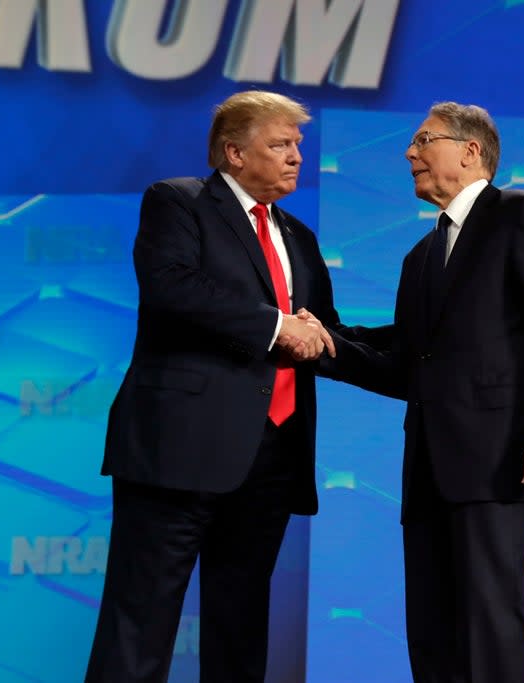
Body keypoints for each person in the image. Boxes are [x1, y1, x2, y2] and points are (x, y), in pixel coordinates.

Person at [319, 101, 524, 683]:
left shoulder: (521, 213)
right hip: (429, 467)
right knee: (433, 627)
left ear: (470, 151)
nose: (409, 154)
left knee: (488, 623)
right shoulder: (420, 256)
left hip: (499, 457)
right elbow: (407, 363)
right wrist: (325, 347)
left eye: (423, 141)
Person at [85, 90, 343, 683]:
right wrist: (278, 327)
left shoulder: (297, 235)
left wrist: (427, 358)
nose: (296, 156)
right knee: (141, 621)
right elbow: (173, 289)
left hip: (271, 455)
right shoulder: (178, 202)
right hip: (178, 450)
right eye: (280, 144)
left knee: (240, 623)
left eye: (298, 144)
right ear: (233, 152)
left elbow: (323, 333)